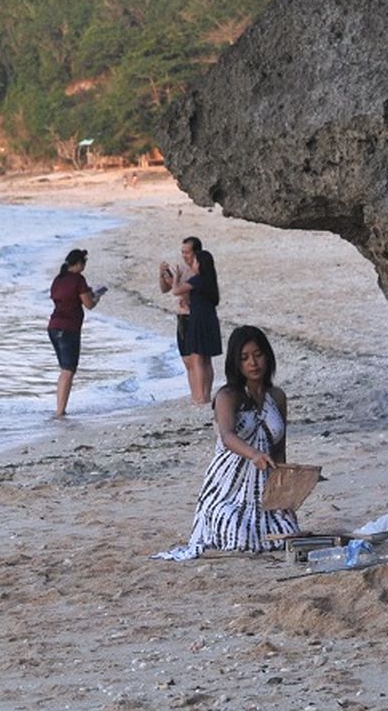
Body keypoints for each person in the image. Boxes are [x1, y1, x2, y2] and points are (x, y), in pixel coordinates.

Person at [152, 325, 298, 560]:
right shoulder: (227, 396)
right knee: (236, 534)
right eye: (244, 358)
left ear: (268, 356)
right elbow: (228, 436)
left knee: (288, 532)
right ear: (235, 363)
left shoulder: (277, 397)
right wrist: (254, 454)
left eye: (258, 355)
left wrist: (283, 494)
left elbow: (279, 449)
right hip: (227, 487)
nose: (253, 363)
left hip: (263, 490)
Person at [48, 248, 103, 417]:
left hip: (53, 326)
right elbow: (89, 304)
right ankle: (60, 410)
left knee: (64, 369)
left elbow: (63, 298)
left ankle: (59, 407)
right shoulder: (78, 280)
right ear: (78, 264)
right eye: (84, 263)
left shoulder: (58, 279)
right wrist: (97, 296)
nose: (84, 267)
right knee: (68, 370)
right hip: (69, 327)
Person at [171, 249, 222, 404]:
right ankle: (206, 394)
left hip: (198, 320)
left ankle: (200, 396)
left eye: (194, 261)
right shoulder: (210, 280)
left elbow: (176, 291)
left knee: (197, 358)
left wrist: (176, 278)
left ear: (199, 264)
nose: (192, 264)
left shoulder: (197, 280)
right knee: (207, 359)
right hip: (210, 319)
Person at [159, 236, 202, 401]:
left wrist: (174, 281)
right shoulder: (182, 269)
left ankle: (200, 395)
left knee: (198, 360)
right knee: (187, 361)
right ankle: (194, 395)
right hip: (181, 317)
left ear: (196, 252)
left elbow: (184, 292)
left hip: (193, 316)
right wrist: (163, 275)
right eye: (182, 252)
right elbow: (165, 289)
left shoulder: (198, 271)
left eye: (187, 252)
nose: (184, 256)